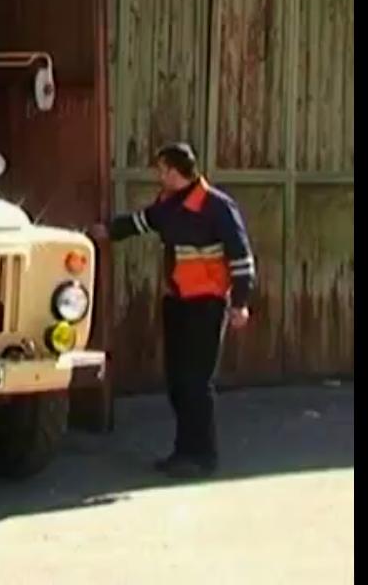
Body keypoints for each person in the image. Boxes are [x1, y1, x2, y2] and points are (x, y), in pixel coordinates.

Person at [91, 142, 255, 479]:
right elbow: (142, 222)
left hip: (206, 304)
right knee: (178, 382)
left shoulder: (216, 206)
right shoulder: (170, 204)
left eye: (162, 169)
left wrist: (240, 303)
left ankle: (203, 456)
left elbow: (241, 257)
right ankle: (183, 452)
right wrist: (106, 231)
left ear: (175, 170)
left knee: (197, 382)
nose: (158, 175)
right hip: (178, 303)